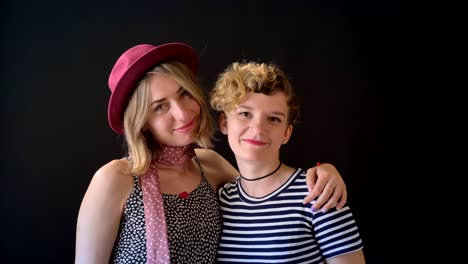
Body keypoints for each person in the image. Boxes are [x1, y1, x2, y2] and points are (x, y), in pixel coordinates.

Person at [75, 43, 349, 264]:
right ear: (141, 120)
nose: (182, 113)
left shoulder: (210, 166)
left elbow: (260, 193)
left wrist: (325, 172)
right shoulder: (115, 179)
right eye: (160, 106)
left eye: (184, 94)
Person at [211, 61, 365, 263]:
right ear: (224, 123)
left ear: (286, 133)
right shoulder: (220, 201)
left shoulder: (318, 193)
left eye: (273, 119)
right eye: (245, 114)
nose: (258, 129)